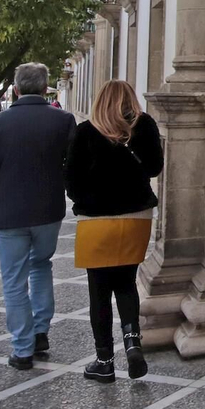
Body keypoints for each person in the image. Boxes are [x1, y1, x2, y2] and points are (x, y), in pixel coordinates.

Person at [0, 63, 76, 369]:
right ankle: (41, 332)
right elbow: (72, 165)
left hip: (10, 211)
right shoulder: (64, 120)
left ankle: (23, 348)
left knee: (13, 280)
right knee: (41, 265)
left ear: (15, 89)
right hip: (48, 210)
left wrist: (0, 188)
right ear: (46, 89)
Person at [64, 80, 163, 382]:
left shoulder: (84, 131)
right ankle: (132, 342)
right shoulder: (144, 126)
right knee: (126, 283)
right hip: (136, 219)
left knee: (99, 291)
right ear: (130, 99)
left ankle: (104, 359)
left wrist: (88, 199)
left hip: (96, 223)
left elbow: (71, 181)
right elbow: (155, 167)